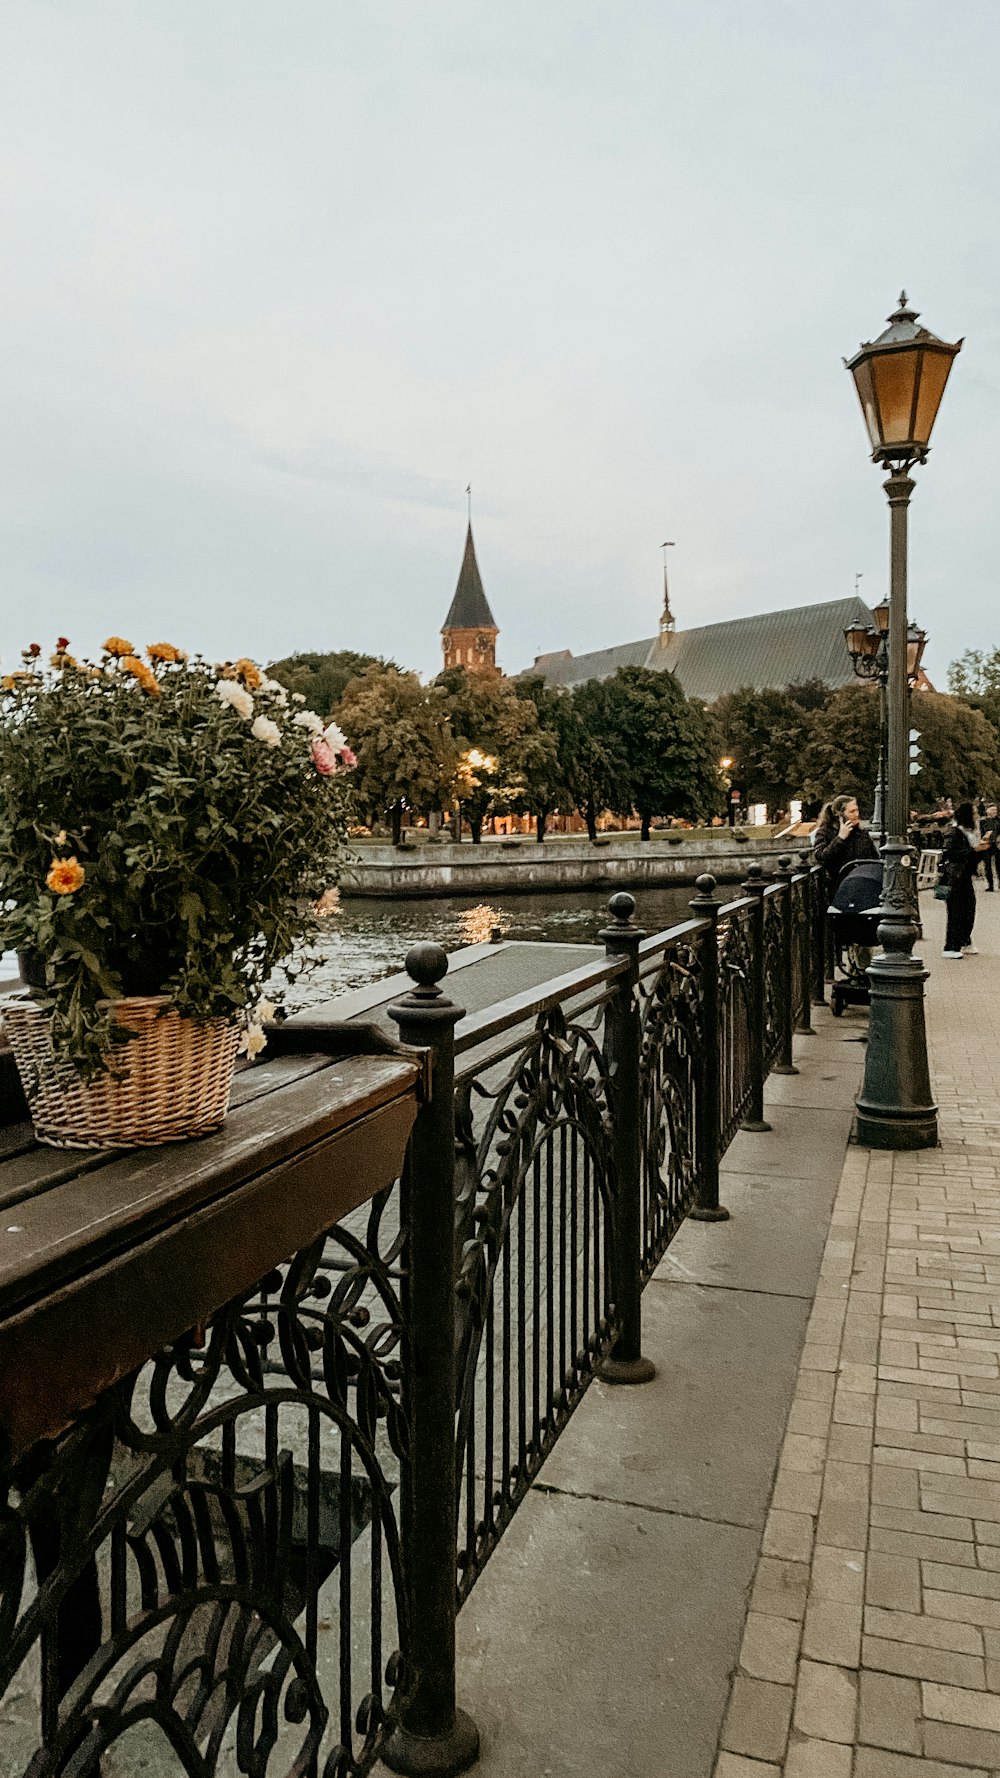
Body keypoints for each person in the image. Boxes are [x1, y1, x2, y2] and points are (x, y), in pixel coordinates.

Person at [940, 802, 990, 958]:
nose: (976, 817)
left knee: (968, 909)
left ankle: (965, 940)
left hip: (965, 876)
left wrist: (982, 849)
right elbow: (950, 853)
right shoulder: (954, 831)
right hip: (955, 877)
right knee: (956, 912)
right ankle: (950, 946)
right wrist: (973, 850)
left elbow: (972, 858)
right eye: (974, 813)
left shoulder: (970, 833)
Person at [813, 794, 879, 898]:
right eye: (852, 812)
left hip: (864, 887)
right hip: (840, 888)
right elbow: (821, 856)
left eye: (857, 810)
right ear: (840, 815)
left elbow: (875, 859)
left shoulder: (862, 834)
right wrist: (840, 838)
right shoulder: (825, 833)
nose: (857, 814)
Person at [980, 801, 999, 892]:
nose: (995, 811)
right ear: (988, 811)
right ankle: (990, 885)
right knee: (987, 865)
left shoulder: (998, 820)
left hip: (997, 844)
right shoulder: (983, 821)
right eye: (993, 810)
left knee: (998, 865)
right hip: (986, 844)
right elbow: (980, 832)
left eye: (996, 810)